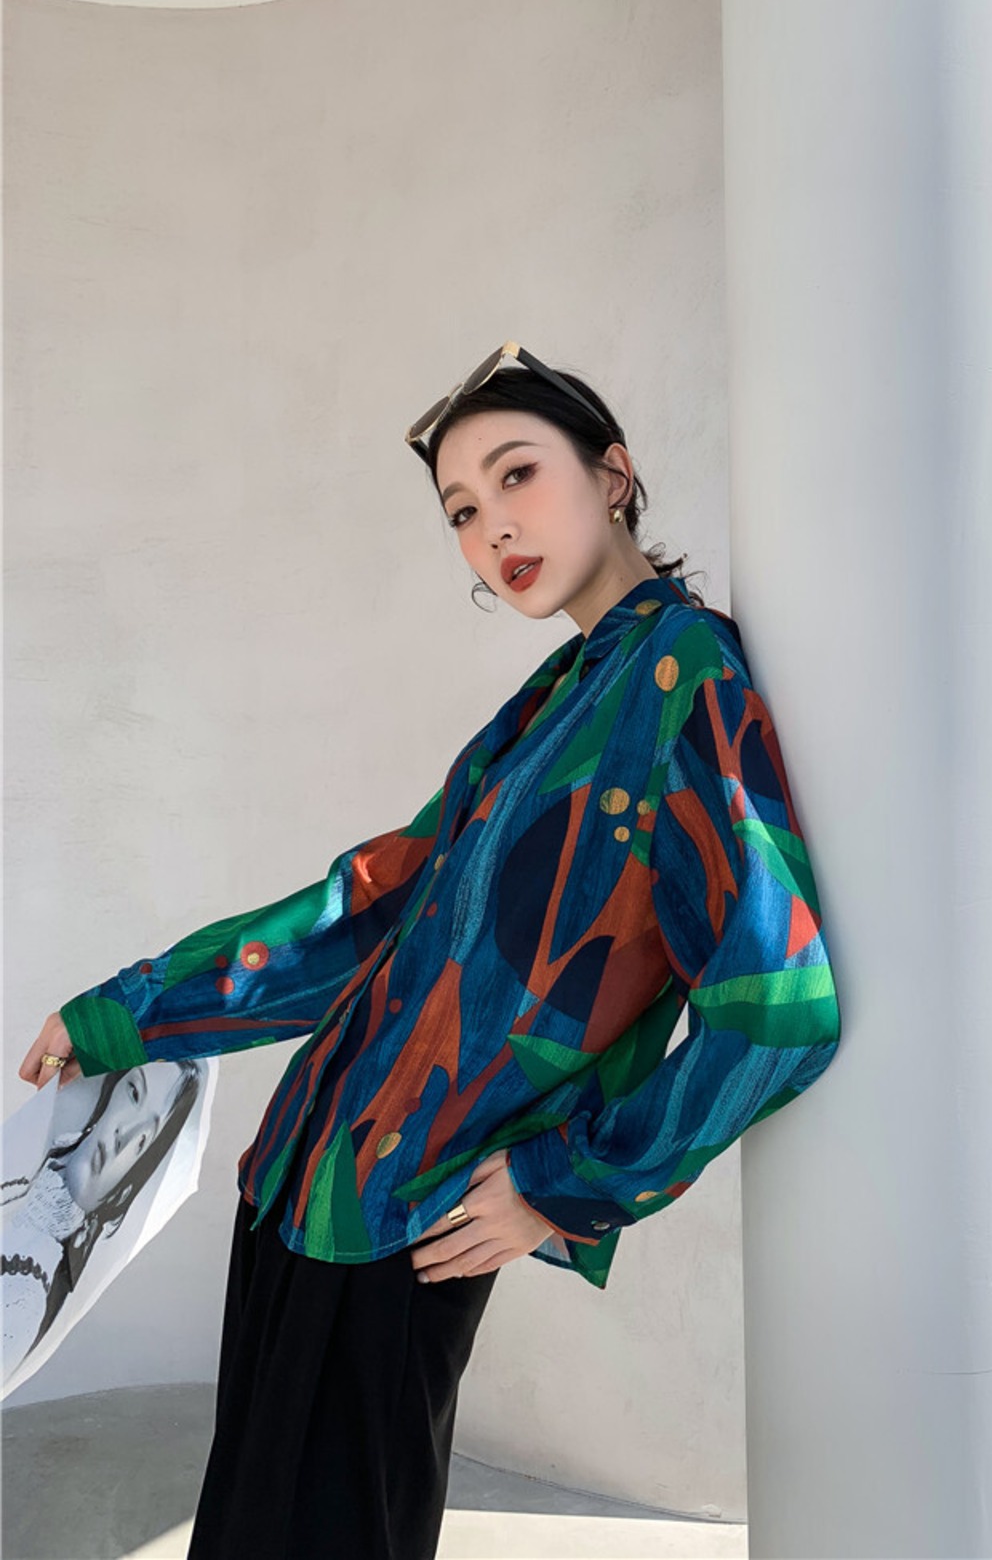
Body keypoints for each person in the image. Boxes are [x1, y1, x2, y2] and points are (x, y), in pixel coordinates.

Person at [19, 344, 841, 1559]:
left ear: (613, 474)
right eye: (460, 509)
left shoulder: (685, 676)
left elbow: (778, 1006)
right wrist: (125, 1014)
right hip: (296, 1194)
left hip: (406, 1230)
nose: (490, 525)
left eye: (516, 475)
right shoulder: (559, 695)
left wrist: (565, 1184)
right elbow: (367, 913)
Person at [2, 1060, 201, 1385]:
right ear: (111, 1088)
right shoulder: (24, 1174)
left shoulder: (28, 1290)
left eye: (144, 1138)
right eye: (134, 1094)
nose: (125, 1134)